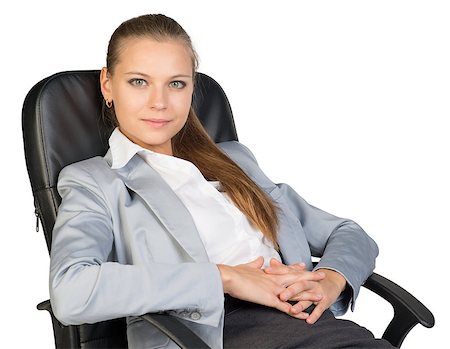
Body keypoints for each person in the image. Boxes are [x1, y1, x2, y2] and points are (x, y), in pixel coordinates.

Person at [49, 14, 393, 349]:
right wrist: (224, 277)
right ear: (108, 84)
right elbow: (71, 291)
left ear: (191, 88)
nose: (160, 102)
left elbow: (348, 233)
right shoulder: (94, 182)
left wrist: (332, 279)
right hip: (215, 333)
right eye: (139, 81)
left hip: (312, 324)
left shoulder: (234, 160)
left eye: (176, 83)